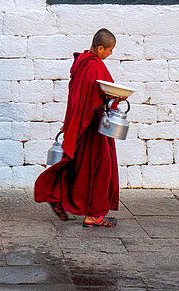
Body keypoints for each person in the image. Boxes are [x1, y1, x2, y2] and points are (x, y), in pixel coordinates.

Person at [34, 29, 124, 228]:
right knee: (101, 169)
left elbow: (86, 94)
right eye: (109, 50)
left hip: (79, 124)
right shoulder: (94, 66)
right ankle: (93, 216)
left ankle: (55, 194)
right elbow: (97, 98)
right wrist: (116, 98)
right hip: (92, 127)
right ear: (100, 48)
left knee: (79, 167)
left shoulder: (81, 64)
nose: (110, 54)